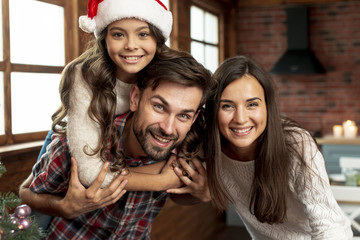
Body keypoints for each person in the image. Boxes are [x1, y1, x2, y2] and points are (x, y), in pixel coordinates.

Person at [20, 51, 213, 239]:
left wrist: (202, 195)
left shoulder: (183, 147)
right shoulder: (83, 144)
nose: (169, 129)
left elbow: (176, 193)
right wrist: (64, 208)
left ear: (194, 118)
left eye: (183, 115)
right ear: (135, 98)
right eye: (159, 107)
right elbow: (27, 194)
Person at [204, 55, 353, 239]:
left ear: (267, 106)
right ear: (213, 110)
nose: (240, 119)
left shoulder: (296, 143)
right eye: (227, 106)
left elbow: (328, 225)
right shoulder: (211, 147)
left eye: (252, 104)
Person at [41, 0, 174, 188]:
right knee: (37, 203)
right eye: (118, 34)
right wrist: (162, 181)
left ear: (158, 39)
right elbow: (87, 172)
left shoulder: (167, 74)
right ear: (104, 39)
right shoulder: (85, 76)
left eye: (143, 34)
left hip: (115, 151)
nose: (131, 45)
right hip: (70, 136)